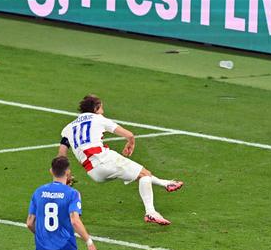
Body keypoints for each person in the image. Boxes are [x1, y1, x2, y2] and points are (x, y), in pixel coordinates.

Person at [58, 94, 183, 225]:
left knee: (142, 173)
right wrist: (131, 143)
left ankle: (166, 183)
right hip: (104, 159)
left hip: (93, 172)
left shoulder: (67, 128)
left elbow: (61, 154)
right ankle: (151, 212)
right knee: (144, 175)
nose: (103, 111)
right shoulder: (99, 119)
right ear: (96, 109)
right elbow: (129, 134)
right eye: (101, 108)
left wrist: (66, 174)